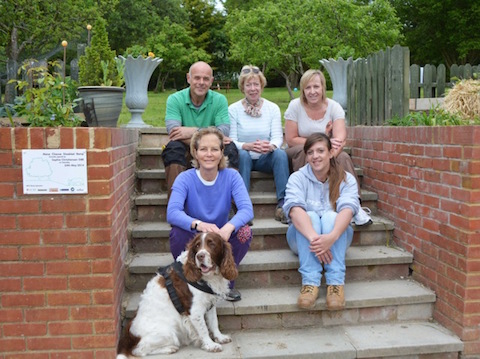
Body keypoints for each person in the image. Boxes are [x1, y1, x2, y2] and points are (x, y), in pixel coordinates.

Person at [166, 127, 254, 302]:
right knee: (177, 232)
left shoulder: (232, 177)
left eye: (214, 149)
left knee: (244, 231)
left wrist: (229, 227)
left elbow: (246, 209)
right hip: (196, 236)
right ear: (195, 153)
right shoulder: (185, 178)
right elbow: (172, 212)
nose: (209, 154)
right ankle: (192, 280)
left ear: (222, 153)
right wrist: (199, 224)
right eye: (203, 149)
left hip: (220, 236)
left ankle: (226, 283)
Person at [284, 69, 372, 226]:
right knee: (309, 154)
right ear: (303, 90)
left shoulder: (334, 107)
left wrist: (331, 154)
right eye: (308, 87)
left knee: (343, 157)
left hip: (328, 149)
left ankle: (355, 206)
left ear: (323, 88)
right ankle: (301, 206)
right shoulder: (295, 106)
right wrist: (317, 147)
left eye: (316, 87)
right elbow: (291, 139)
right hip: (299, 148)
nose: (312, 92)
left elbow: (339, 138)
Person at [283, 133, 359, 310]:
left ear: (331, 152)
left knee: (331, 217)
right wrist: (316, 241)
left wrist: (331, 237)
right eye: (310, 152)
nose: (315, 156)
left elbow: (348, 209)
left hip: (336, 238)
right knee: (308, 217)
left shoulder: (346, 179)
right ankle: (310, 284)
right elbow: (294, 210)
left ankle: (335, 284)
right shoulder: (297, 178)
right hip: (302, 239)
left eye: (320, 151)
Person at [161, 61, 238, 197]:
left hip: (209, 147)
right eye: (197, 78)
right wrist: (209, 135)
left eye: (206, 79)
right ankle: (177, 206)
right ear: (188, 78)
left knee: (230, 149)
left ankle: (229, 204)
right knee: (172, 149)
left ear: (211, 81)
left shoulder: (219, 100)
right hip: (185, 147)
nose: (201, 82)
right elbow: (174, 132)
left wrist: (192, 131)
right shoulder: (175, 99)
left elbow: (224, 131)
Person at [229, 65, 289, 223]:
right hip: (244, 157)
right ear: (242, 87)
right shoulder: (233, 110)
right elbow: (232, 140)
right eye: (248, 85)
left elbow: (277, 137)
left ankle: (283, 205)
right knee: (241, 154)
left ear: (262, 86)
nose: (252, 88)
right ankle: (243, 207)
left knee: (280, 153)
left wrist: (270, 146)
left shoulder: (272, 108)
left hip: (265, 158)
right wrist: (247, 146)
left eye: (256, 84)